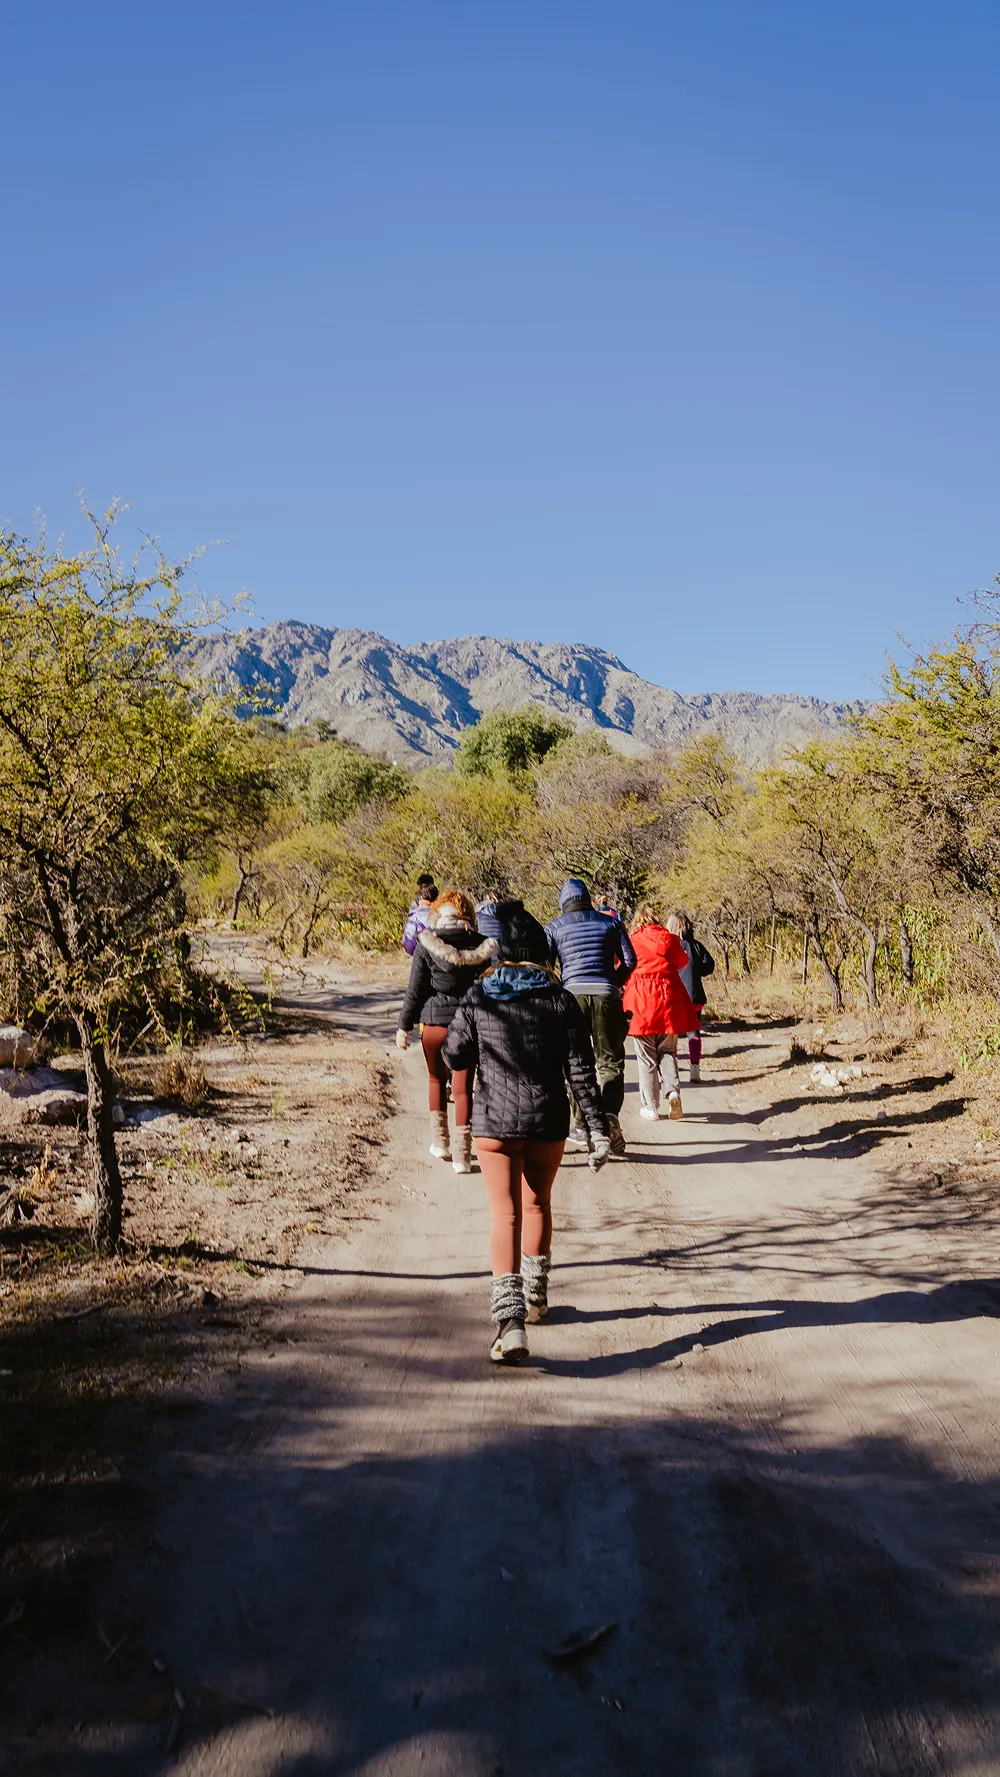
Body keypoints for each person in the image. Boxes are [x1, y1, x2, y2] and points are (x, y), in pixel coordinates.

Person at [443, 903, 610, 1364]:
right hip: (546, 1121)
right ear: (541, 953)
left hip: (495, 1123)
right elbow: (581, 1071)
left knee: (505, 1215)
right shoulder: (561, 999)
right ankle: (535, 1299)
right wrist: (597, 1128)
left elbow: (454, 1056)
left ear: (501, 953)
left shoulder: (479, 995)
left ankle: (509, 1324)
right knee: (537, 1205)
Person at [396, 891, 496, 1171]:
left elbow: (415, 991)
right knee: (463, 1089)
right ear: (468, 915)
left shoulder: (426, 944)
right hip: (468, 1027)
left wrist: (404, 1026)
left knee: (436, 1080)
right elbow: (488, 990)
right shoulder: (481, 946)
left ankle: (440, 1143)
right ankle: (463, 1157)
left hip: (434, 1024)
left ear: (438, 914)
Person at [545, 878, 636, 1157]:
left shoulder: (554, 927)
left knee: (575, 1061)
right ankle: (610, 1114)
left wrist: (560, 989)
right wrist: (614, 983)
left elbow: (545, 966)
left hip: (572, 996)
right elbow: (630, 960)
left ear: (563, 902)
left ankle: (581, 1124)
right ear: (588, 898)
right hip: (607, 994)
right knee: (610, 1062)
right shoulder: (611, 922)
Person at [622, 908, 697, 1120]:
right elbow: (683, 962)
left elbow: (621, 966)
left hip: (641, 1003)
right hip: (668, 1000)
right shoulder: (670, 939)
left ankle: (651, 1107)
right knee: (668, 1051)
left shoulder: (632, 941)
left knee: (646, 1058)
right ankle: (673, 1092)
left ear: (637, 922)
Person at [667, 912, 716, 1082]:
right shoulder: (696, 946)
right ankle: (695, 1068)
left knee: (672, 1034)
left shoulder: (669, 946)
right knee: (693, 1031)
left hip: (674, 996)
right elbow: (709, 966)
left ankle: (672, 1068)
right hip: (695, 995)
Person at [402, 875, 438, 956]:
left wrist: (416, 953)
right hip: (440, 951)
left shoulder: (415, 911)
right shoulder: (442, 907)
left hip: (422, 951)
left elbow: (409, 938)